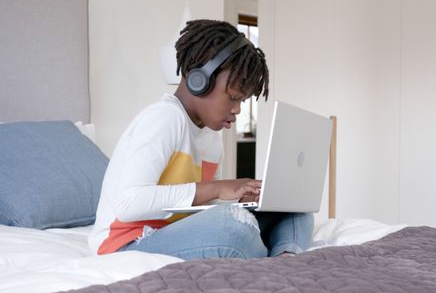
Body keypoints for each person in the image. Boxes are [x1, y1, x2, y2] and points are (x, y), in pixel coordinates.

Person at [89, 19, 313, 260]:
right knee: (232, 226)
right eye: (232, 98)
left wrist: (238, 197)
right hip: (126, 241)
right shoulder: (164, 118)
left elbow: (200, 208)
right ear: (199, 80)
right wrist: (216, 188)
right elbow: (128, 203)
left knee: (294, 210)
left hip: (179, 232)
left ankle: (285, 258)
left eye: (242, 101)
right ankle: (271, 254)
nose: (237, 109)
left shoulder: (212, 138)